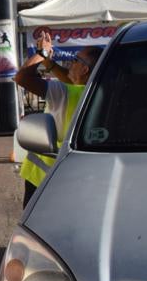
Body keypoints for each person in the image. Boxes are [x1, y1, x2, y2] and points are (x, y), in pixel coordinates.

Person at [14, 31, 101, 207]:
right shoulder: (94, 92)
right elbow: (70, 79)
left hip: (42, 177)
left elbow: (22, 77)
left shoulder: (65, 93)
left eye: (76, 61)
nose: (71, 63)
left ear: (85, 69)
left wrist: (41, 54)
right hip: (76, 176)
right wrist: (50, 64)